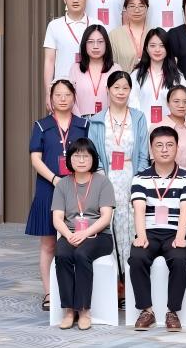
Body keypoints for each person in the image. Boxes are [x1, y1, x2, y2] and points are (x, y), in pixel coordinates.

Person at [28, 80, 91, 311]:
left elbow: (90, 156)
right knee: (48, 244)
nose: (63, 99)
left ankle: (73, 290)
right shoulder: (41, 125)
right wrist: (55, 179)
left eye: (67, 95)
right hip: (48, 189)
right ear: (51, 98)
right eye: (58, 95)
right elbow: (35, 159)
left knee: (77, 241)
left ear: (74, 98)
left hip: (78, 189)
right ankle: (48, 293)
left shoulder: (84, 125)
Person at [126, 125, 186, 332]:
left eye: (169, 145)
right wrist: (141, 236)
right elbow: (139, 209)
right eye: (159, 145)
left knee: (180, 259)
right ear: (151, 149)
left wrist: (180, 237)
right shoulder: (140, 178)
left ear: (177, 148)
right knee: (137, 257)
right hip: (150, 232)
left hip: (176, 231)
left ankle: (172, 312)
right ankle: (147, 311)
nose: (164, 150)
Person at [50, 139, 115, 331]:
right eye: (76, 155)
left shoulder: (103, 182)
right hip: (70, 234)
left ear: (93, 158)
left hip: (99, 236)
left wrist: (85, 233)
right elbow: (57, 219)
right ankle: (69, 310)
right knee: (62, 254)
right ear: (69, 159)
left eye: (85, 156)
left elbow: (106, 217)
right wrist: (69, 235)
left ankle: (84, 310)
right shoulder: (62, 184)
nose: (80, 160)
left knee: (81, 254)